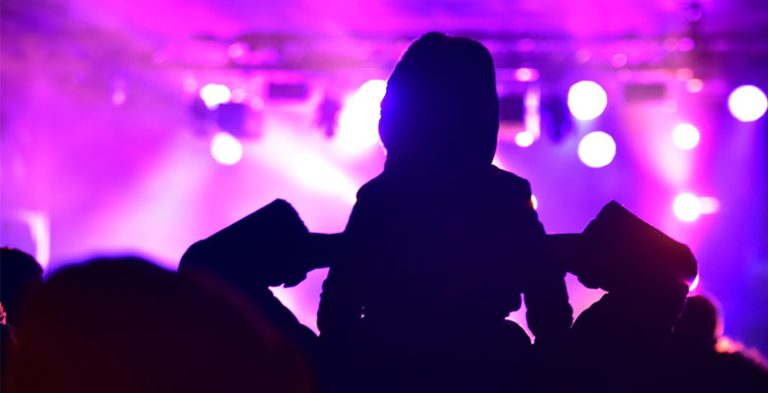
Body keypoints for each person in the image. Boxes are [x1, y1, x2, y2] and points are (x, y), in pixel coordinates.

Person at [317, 32, 572, 392]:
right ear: (481, 112)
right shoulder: (508, 195)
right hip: (487, 368)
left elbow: (336, 309)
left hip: (386, 367)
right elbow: (550, 310)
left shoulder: (379, 198)